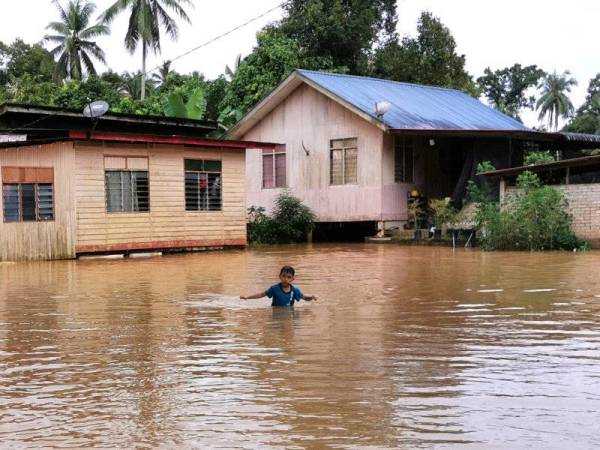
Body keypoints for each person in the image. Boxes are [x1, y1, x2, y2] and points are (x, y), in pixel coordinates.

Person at [241, 265, 318, 306]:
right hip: (276, 314)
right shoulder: (274, 289)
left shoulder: (295, 290)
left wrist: (312, 297)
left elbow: (304, 297)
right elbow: (262, 294)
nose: (285, 279)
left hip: (289, 315)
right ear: (279, 276)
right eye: (283, 276)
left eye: (289, 277)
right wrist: (247, 297)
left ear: (292, 279)